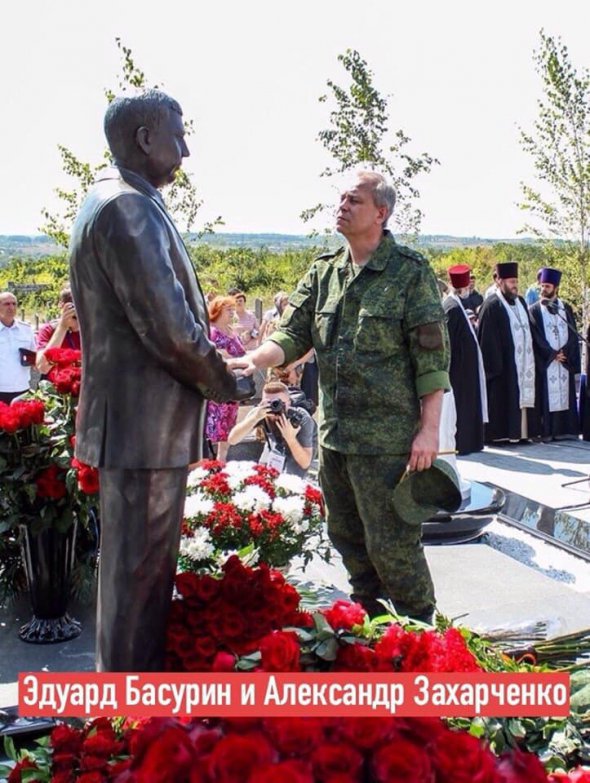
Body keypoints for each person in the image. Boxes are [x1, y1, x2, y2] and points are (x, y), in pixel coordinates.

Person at [69, 90, 247, 672]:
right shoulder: (126, 207)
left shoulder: (114, 200)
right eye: (178, 134)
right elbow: (169, 328)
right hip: (143, 430)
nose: (187, 149)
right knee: (138, 583)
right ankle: (127, 723)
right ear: (145, 138)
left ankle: (123, 711)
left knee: (134, 577)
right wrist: (231, 382)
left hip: (135, 428)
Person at [235, 170, 450, 623]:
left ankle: (422, 635)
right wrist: (254, 359)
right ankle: (371, 629)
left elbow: (431, 363)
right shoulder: (324, 272)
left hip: (387, 445)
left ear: (381, 212)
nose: (342, 205)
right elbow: (292, 334)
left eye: (354, 200)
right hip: (336, 440)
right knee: (347, 538)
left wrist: (429, 432)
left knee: (393, 547)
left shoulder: (410, 274)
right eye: (341, 198)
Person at [477, 261, 538, 444]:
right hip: (503, 369)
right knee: (504, 398)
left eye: (516, 281)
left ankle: (522, 433)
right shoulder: (491, 305)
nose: (515, 285)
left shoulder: (520, 301)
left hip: (523, 366)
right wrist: (497, 367)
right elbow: (486, 341)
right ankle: (501, 435)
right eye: (511, 281)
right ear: (500, 282)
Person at [529, 267, 580, 441]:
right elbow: (536, 336)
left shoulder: (565, 308)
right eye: (542, 286)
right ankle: (548, 431)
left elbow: (573, 333)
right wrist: (552, 354)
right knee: (547, 396)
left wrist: (564, 353)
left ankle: (565, 429)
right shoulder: (535, 310)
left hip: (564, 360)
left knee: (565, 392)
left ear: (556, 288)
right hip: (548, 361)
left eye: (547, 286)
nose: (544, 290)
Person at [228, 381, 316, 477]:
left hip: (298, 449)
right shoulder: (260, 412)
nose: (274, 407)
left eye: (278, 403)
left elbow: (305, 462)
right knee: (262, 478)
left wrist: (290, 438)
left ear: (289, 403)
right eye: (269, 403)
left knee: (291, 481)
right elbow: (232, 440)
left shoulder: (301, 417)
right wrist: (254, 418)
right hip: (274, 448)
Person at [443, 264, 488, 455]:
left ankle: (471, 442)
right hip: (458, 372)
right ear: (461, 288)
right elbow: (450, 341)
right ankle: (463, 443)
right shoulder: (452, 308)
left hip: (466, 370)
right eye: (467, 287)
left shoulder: (458, 304)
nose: (470, 290)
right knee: (461, 408)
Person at [205, 296, 246, 461]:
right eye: (228, 309)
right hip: (217, 388)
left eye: (232, 308)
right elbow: (210, 356)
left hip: (233, 387)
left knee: (227, 431)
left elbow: (240, 353)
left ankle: (221, 465)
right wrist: (229, 358)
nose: (232, 312)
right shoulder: (212, 331)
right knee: (213, 430)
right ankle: (207, 466)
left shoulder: (231, 330)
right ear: (218, 311)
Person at [36, 286, 81, 375]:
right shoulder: (49, 330)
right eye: (72, 305)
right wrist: (62, 327)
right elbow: (43, 367)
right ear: (61, 305)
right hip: (57, 386)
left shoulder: (94, 330)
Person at [0, 291, 36, 404]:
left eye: (14, 304)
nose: (11, 307)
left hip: (22, 390)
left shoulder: (26, 329)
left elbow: (34, 356)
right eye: (6, 304)